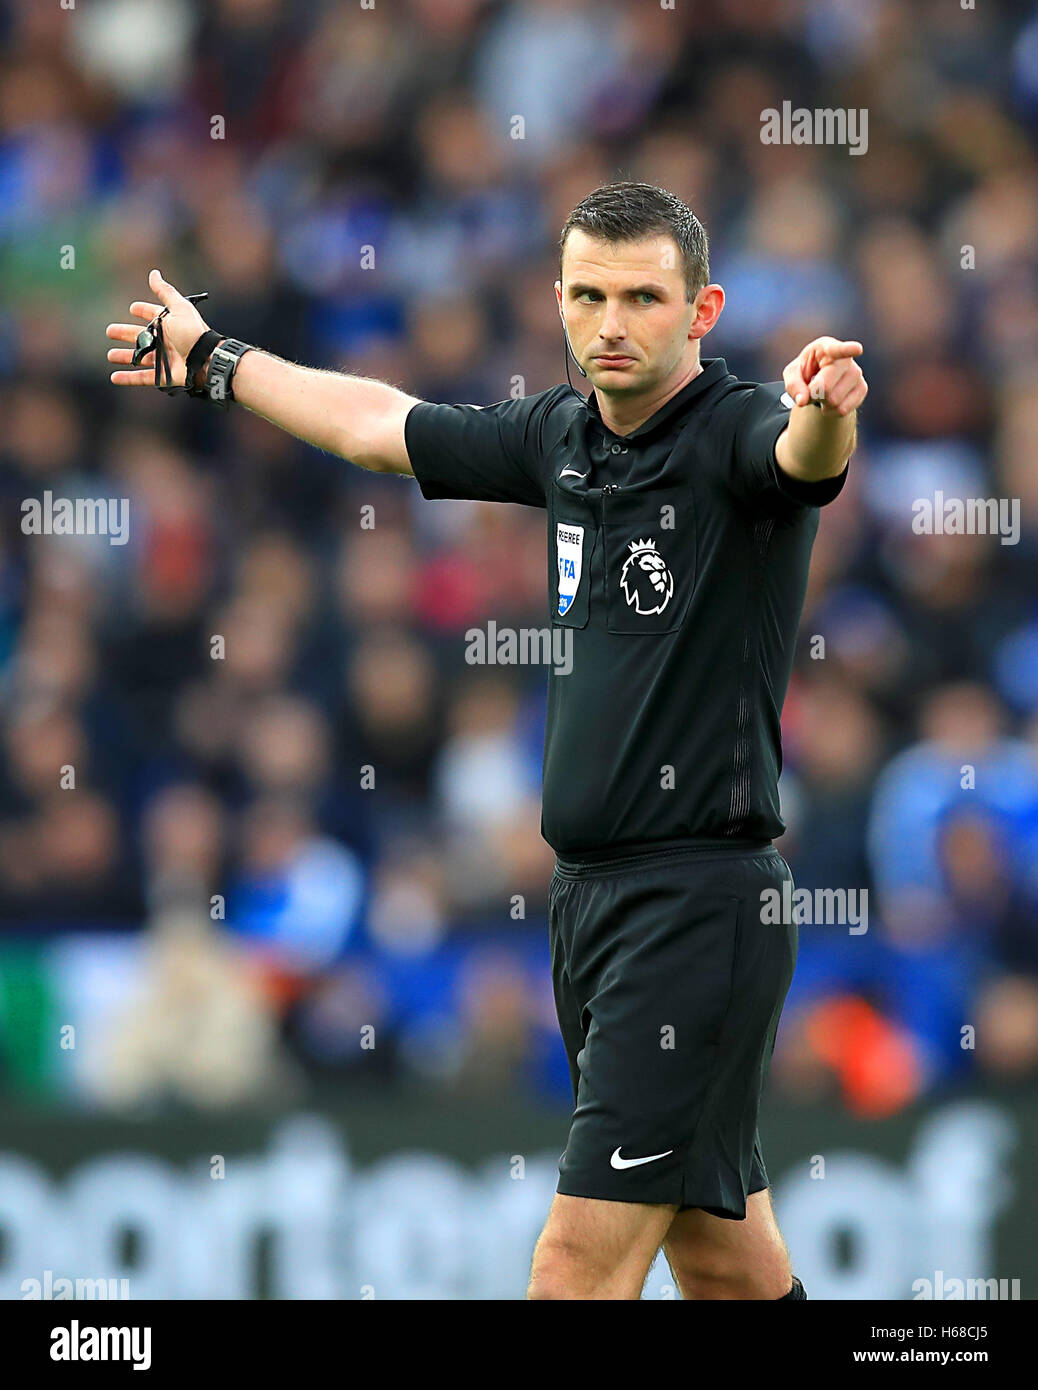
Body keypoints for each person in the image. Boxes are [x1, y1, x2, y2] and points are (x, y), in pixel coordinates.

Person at [106, 181, 867, 1300]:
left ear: (702, 311)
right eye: (589, 294)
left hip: (696, 908)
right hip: (593, 908)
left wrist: (827, 404)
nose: (613, 323)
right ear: (555, 298)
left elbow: (804, 458)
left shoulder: (735, 432)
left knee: (571, 1269)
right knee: (722, 1261)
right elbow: (376, 427)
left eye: (645, 298)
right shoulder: (559, 437)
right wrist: (220, 360)